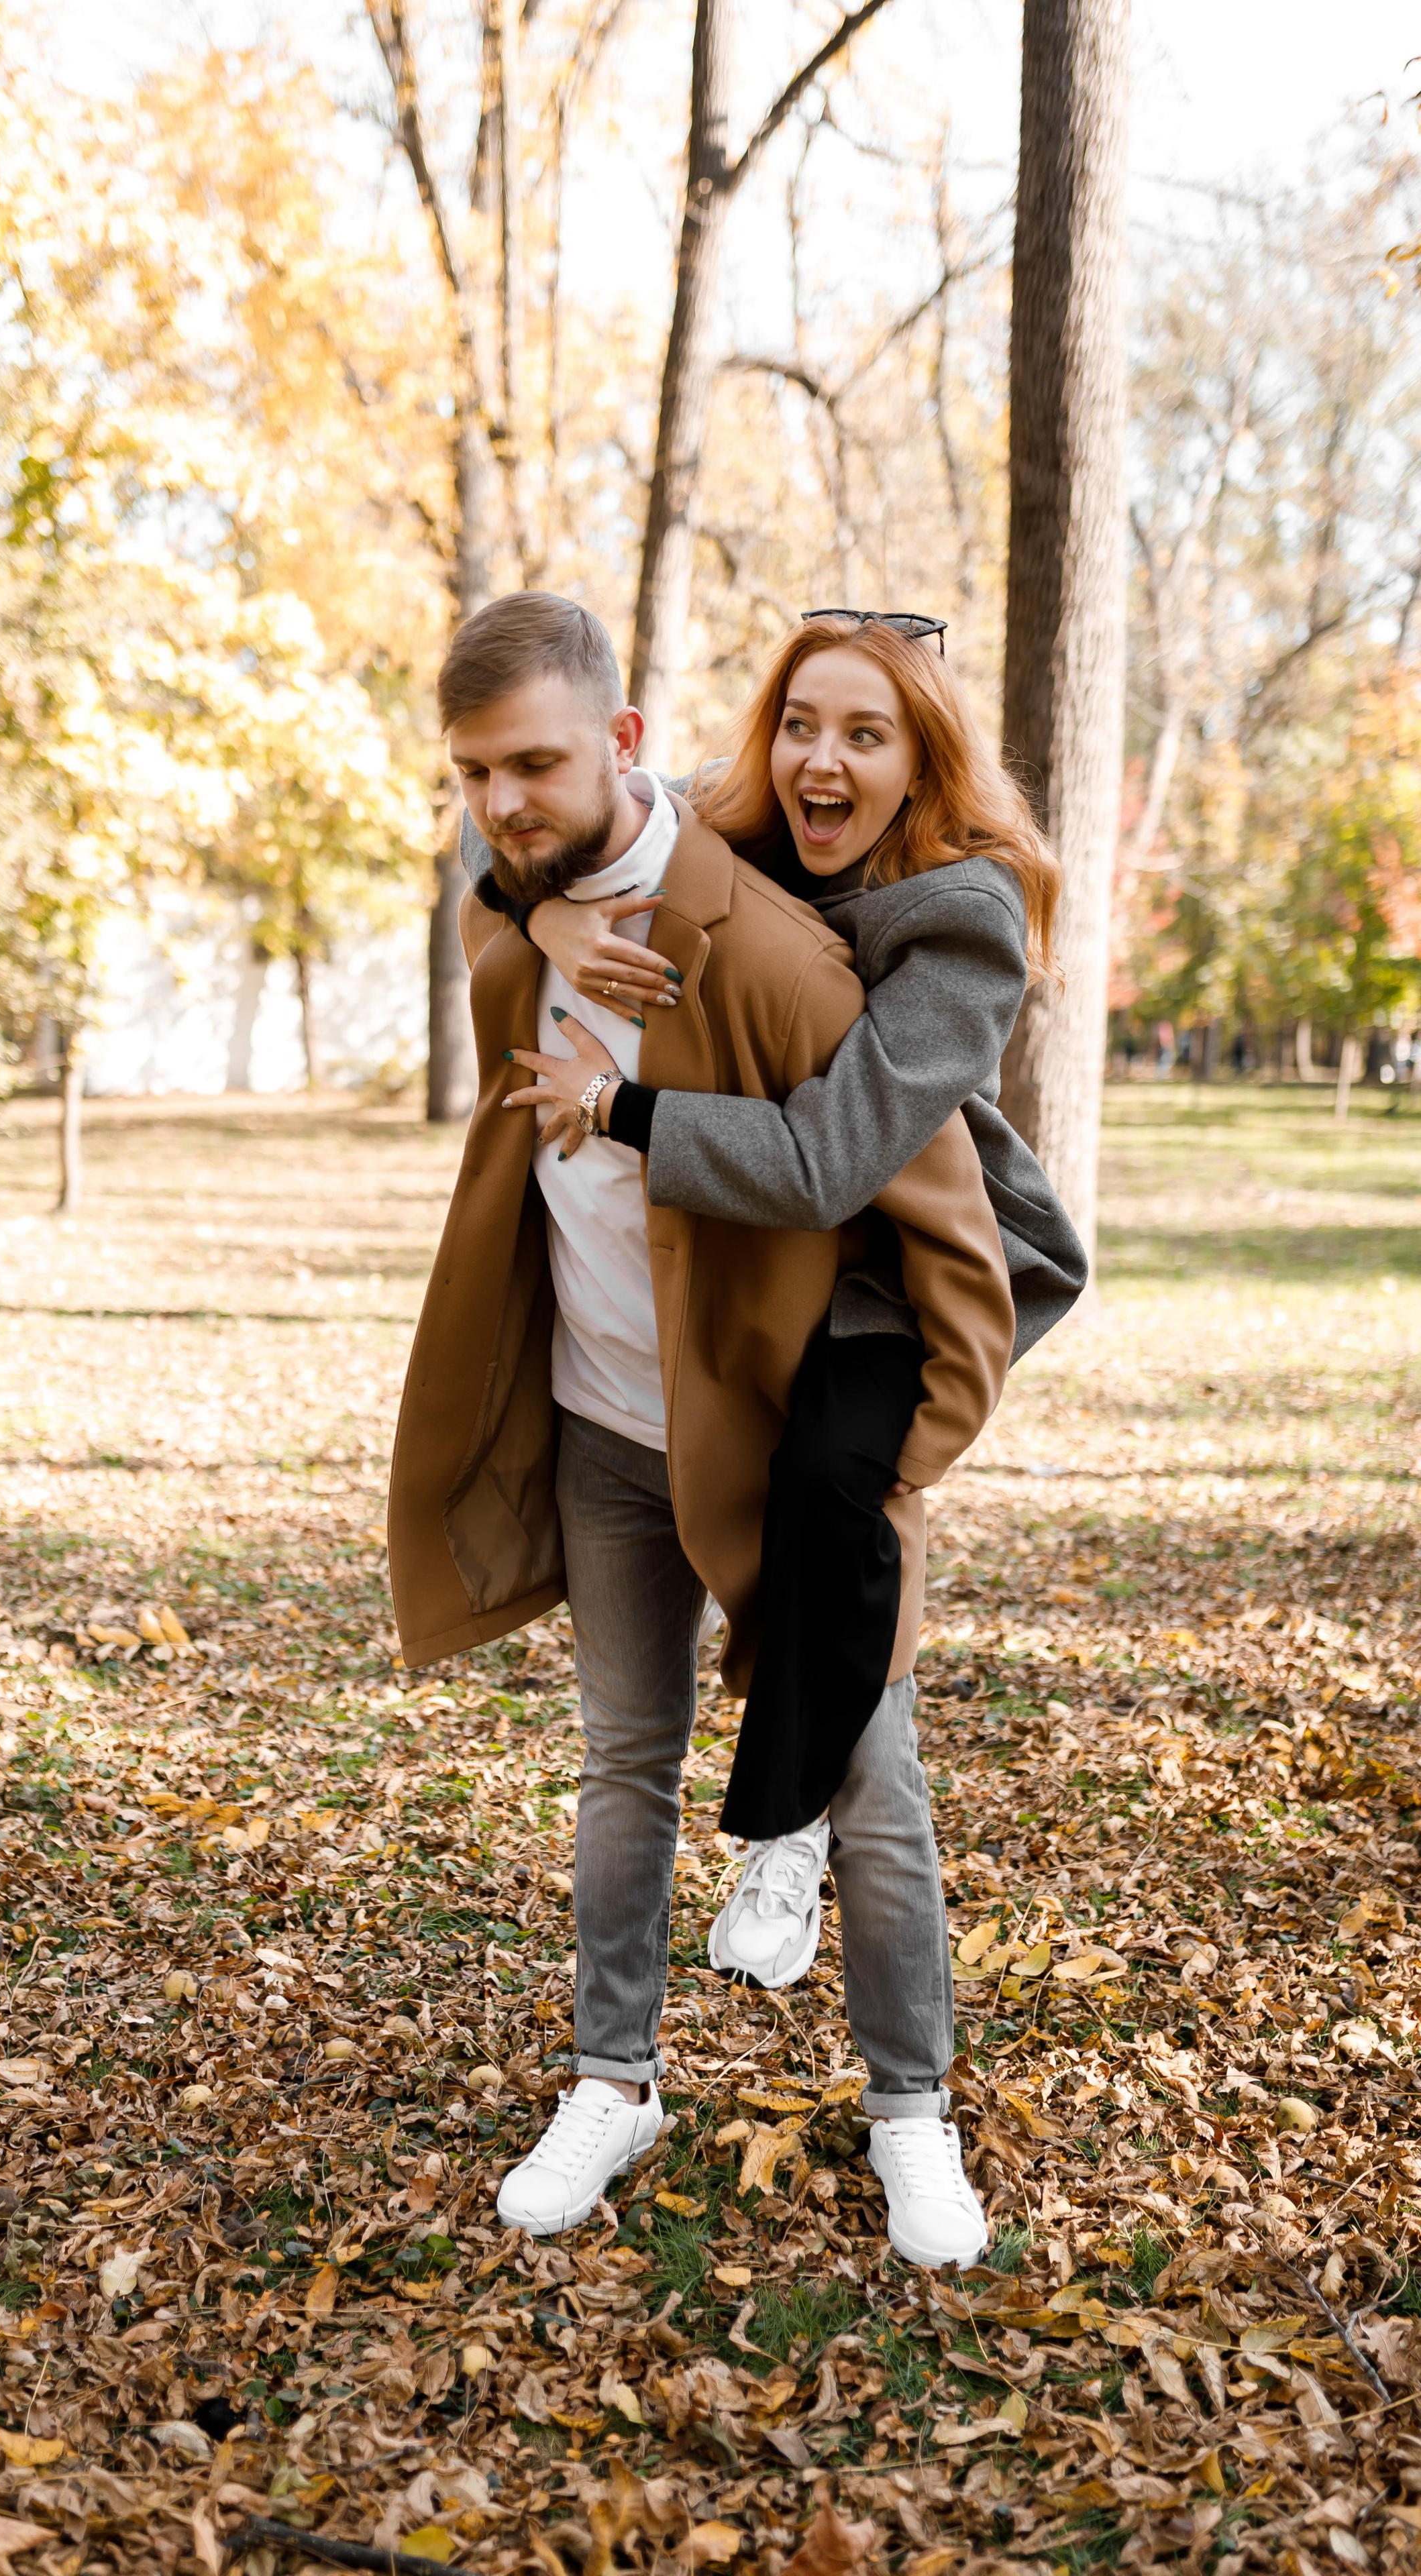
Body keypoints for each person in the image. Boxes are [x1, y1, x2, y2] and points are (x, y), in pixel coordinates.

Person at [388, 592, 1015, 2268]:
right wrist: (530, 944)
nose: (504, 800)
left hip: (783, 1447)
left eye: (533, 762)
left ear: (623, 742)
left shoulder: (771, 951)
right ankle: (614, 2079)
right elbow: (485, 923)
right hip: (597, 1426)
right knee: (617, 1764)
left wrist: (900, 1461)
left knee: (869, 1789)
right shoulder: (510, 909)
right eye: (473, 772)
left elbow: (950, 1241)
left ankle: (909, 2117)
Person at [462, 611, 1085, 1994]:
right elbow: (519, 807)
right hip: (754, 1251)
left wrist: (616, 1106)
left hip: (879, 1264)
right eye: (799, 724)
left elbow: (821, 1163)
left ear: (916, 764)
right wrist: (552, 915)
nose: (820, 760)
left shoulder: (961, 918)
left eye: (862, 735)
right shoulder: (730, 821)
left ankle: (786, 1820)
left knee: (832, 1483)